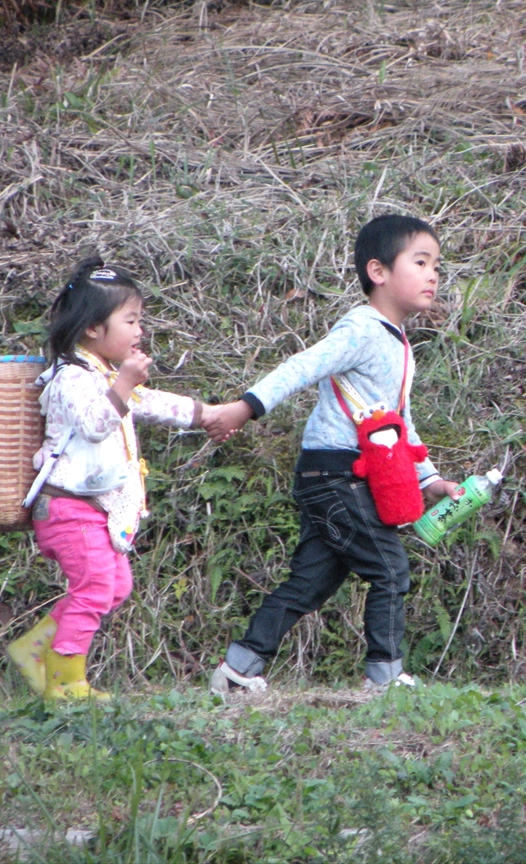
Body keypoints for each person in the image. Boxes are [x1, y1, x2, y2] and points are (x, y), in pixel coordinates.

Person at [203, 214, 463, 693]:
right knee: (390, 568)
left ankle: (238, 670)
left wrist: (431, 480)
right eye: (421, 262)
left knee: (311, 582)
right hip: (336, 474)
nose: (433, 276)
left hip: (343, 475)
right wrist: (246, 406)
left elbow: (399, 423)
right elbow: (305, 365)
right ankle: (384, 680)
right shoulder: (363, 330)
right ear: (378, 271)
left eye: (437, 266)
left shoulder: (397, 340)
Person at [7, 257, 208, 702]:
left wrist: (204, 414)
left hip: (94, 508)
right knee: (94, 586)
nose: (140, 331)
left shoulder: (102, 375)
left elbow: (148, 402)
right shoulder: (71, 378)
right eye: (132, 320)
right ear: (94, 328)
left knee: (116, 586)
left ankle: (32, 649)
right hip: (67, 506)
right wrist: (123, 386)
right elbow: (97, 423)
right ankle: (65, 683)